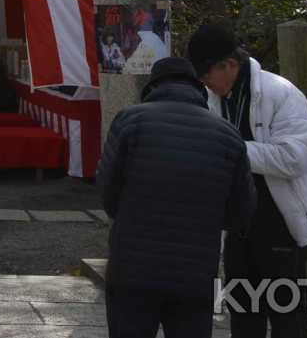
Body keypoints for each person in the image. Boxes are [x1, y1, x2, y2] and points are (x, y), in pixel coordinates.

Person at [97, 56, 256, 338]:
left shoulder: (130, 121)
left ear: (153, 86)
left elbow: (108, 192)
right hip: (195, 271)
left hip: (133, 268)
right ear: (198, 87)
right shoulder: (228, 136)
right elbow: (241, 212)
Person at [188, 24, 307, 338]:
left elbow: (293, 158)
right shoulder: (212, 98)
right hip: (238, 221)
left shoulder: (281, 93)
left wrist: (231, 150)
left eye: (208, 73)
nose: (204, 81)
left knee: (286, 313)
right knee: (244, 311)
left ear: (230, 64)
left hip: (279, 218)